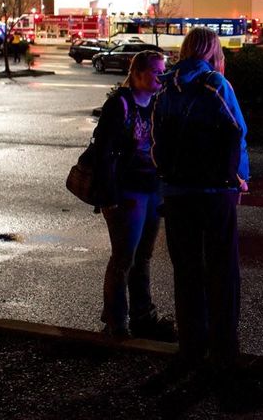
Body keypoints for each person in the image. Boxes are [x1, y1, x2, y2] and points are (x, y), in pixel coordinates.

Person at [151, 27, 249, 369]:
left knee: (187, 269)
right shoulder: (214, 84)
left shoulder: (166, 86)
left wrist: (166, 174)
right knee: (222, 269)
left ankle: (191, 344)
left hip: (177, 191)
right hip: (213, 191)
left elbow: (156, 137)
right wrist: (239, 178)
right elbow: (237, 131)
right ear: (212, 50)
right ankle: (224, 348)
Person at [91, 49, 176, 340]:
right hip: (127, 192)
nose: (161, 77)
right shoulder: (120, 105)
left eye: (163, 70)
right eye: (156, 71)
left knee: (144, 257)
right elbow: (103, 152)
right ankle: (117, 321)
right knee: (124, 258)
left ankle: (143, 314)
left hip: (152, 189)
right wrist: (110, 197)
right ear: (138, 73)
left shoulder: (157, 104)